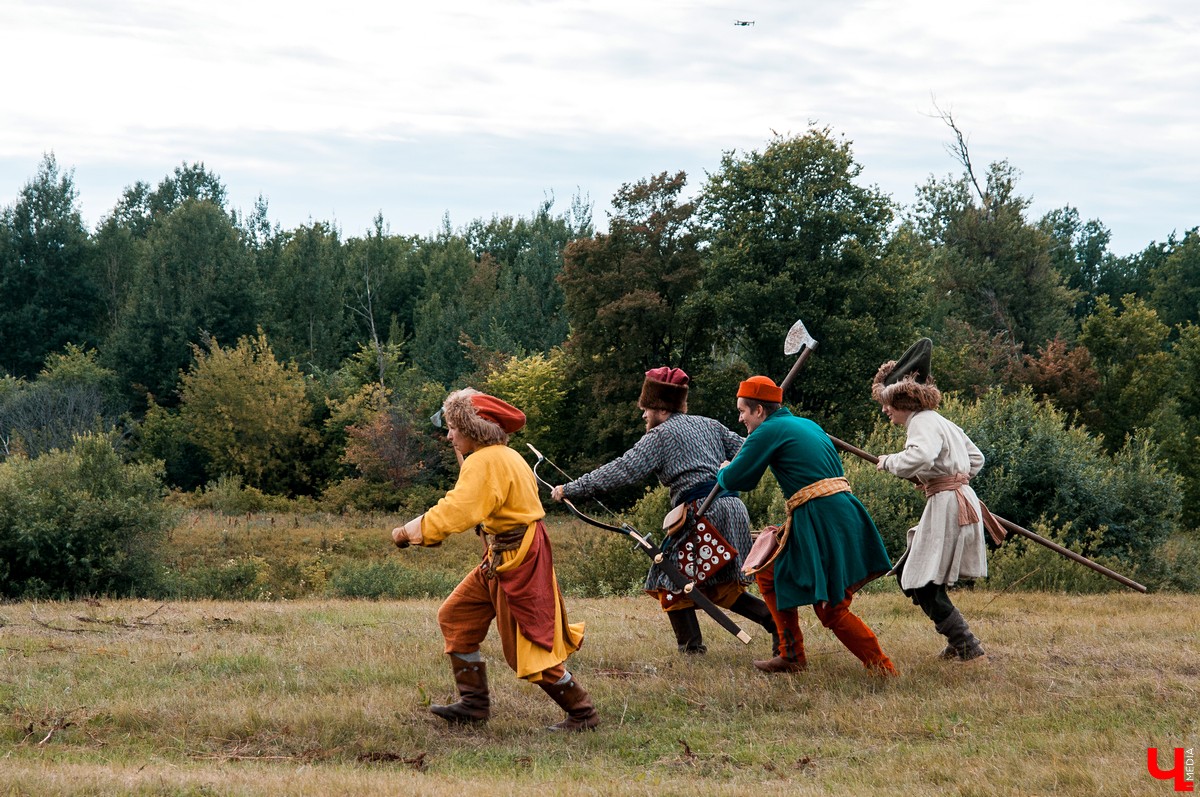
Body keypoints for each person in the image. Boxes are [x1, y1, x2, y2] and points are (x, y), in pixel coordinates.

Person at [392, 388, 600, 731]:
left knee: (529, 645)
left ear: (472, 429)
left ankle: (583, 713)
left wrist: (408, 531)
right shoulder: (505, 455)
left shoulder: (486, 461)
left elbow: (456, 510)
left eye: (453, 428)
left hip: (516, 558)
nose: (449, 436)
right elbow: (481, 507)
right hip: (500, 555)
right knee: (456, 616)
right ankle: (474, 705)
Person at [550, 367, 776, 657]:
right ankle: (777, 629)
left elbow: (622, 470)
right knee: (721, 587)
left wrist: (571, 489)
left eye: (646, 409)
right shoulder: (710, 424)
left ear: (661, 408)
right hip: (732, 508)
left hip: (704, 512)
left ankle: (693, 649)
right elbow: (750, 450)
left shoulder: (660, 435)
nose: (644, 415)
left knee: (671, 579)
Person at [716, 375, 899, 676]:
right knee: (769, 572)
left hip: (821, 518)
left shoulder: (767, 431)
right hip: (838, 512)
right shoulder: (808, 424)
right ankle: (790, 655)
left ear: (758, 411)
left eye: (742, 411)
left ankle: (883, 669)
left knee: (832, 608)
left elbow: (738, 479)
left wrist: (724, 470)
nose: (740, 418)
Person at [871, 338, 988, 663]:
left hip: (949, 505)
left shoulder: (921, 422)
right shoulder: (941, 421)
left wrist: (890, 462)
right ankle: (960, 642)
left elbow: (920, 456)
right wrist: (948, 477)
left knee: (920, 580)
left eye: (887, 403)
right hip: (955, 499)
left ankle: (965, 644)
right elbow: (976, 459)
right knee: (913, 574)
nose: (885, 410)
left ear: (902, 399)